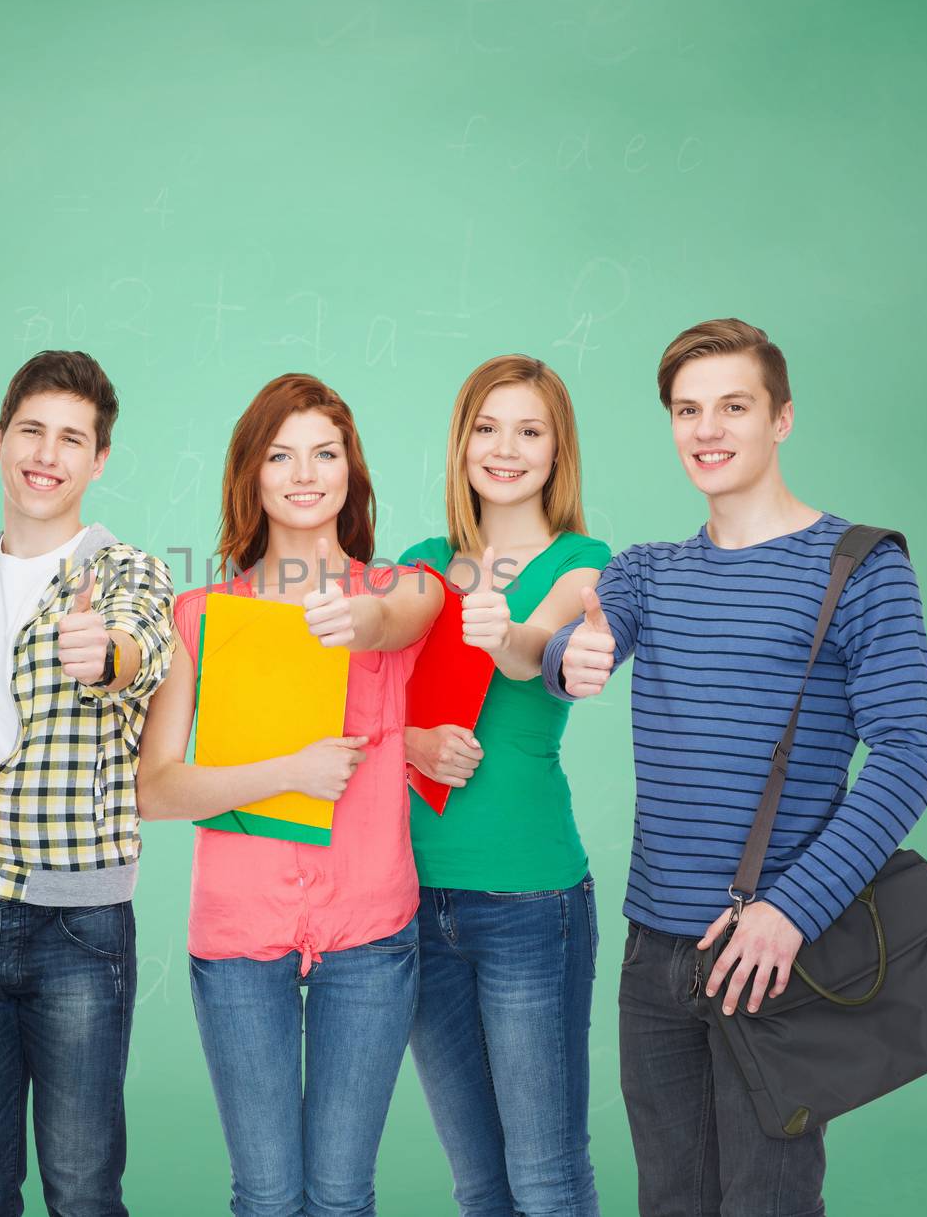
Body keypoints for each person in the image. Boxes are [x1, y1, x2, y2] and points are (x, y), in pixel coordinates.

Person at [543, 319, 927, 1216]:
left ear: (782, 419)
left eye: (733, 405)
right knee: (670, 1202)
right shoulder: (650, 572)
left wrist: (790, 912)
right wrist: (573, 655)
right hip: (653, 956)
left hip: (775, 957)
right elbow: (579, 641)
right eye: (688, 410)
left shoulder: (861, 566)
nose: (708, 429)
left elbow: (910, 756)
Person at [137, 372, 443, 1217]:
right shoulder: (198, 615)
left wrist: (371, 635)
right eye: (281, 454)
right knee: (268, 1194)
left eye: (325, 452)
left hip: (373, 929)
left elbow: (421, 617)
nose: (305, 473)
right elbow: (155, 789)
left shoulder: (401, 597)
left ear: (352, 469)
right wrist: (290, 771)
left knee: (341, 1194)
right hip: (238, 934)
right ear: (252, 474)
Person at [0, 350, 175, 1217]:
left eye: (73, 438)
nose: (47, 453)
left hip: (79, 928)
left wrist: (106, 653)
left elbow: (141, 651)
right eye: (32, 430)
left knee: (83, 1187)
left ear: (98, 460)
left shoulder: (126, 572)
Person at [398, 355, 610, 1216]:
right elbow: (365, 717)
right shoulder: (417, 563)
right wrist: (412, 740)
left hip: (531, 901)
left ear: (558, 452)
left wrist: (502, 630)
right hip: (413, 900)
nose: (506, 448)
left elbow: (538, 654)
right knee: (480, 1185)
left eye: (530, 430)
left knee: (547, 1180)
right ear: (461, 443)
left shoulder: (586, 563)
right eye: (487, 427)